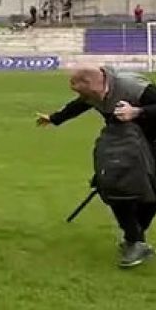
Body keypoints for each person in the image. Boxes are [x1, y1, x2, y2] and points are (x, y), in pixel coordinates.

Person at [36, 66, 156, 268]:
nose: (85, 99)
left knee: (151, 191)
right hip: (124, 141)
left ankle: (135, 238)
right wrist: (55, 118)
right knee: (112, 184)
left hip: (152, 139)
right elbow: (79, 105)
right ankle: (135, 240)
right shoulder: (93, 92)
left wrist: (137, 112)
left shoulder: (133, 87)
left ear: (95, 85)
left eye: (86, 94)